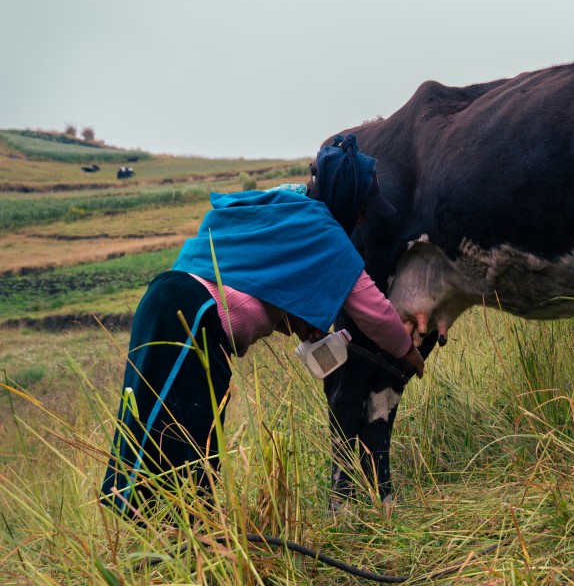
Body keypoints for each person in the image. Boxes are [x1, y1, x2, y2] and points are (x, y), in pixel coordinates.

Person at [100, 133, 423, 520]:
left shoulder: (284, 203)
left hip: (170, 299)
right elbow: (374, 310)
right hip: (191, 317)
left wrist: (293, 318)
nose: (364, 220)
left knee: (168, 425)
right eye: (362, 209)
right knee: (183, 433)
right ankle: (175, 539)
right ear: (346, 199)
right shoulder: (326, 234)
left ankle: (170, 537)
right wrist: (408, 352)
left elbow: (252, 275)